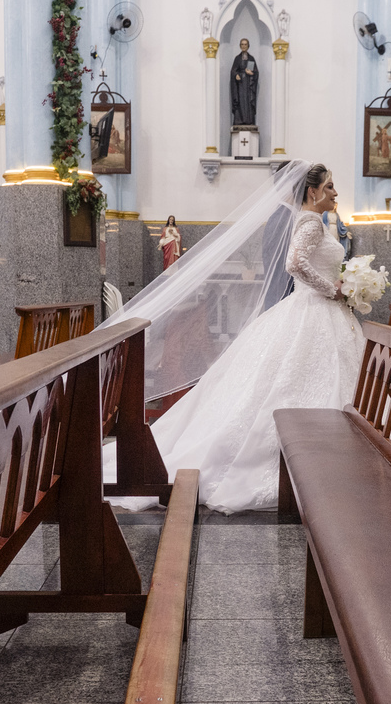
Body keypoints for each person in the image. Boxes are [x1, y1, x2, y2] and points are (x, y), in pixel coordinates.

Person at [105, 163, 366, 513]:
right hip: (314, 308)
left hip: (317, 311)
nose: (335, 192)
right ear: (313, 191)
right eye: (330, 186)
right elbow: (294, 264)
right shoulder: (309, 222)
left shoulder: (309, 221)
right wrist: (331, 289)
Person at [230, 39, 258, 127]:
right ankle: (239, 120)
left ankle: (249, 120)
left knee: (248, 101)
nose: (244, 46)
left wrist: (251, 73)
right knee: (240, 100)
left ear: (248, 46)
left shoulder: (251, 58)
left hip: (249, 84)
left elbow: (256, 72)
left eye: (245, 44)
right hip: (240, 84)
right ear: (240, 46)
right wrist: (236, 75)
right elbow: (233, 71)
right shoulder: (237, 58)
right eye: (242, 44)